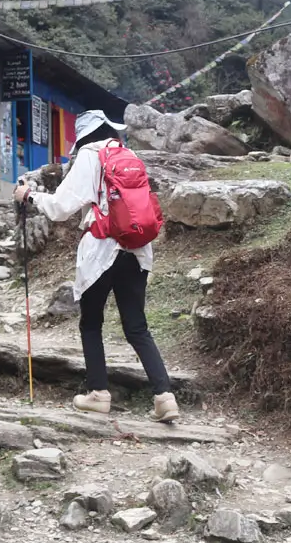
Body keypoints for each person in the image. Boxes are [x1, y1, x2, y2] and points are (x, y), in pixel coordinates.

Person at [14, 110, 179, 423]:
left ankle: (98, 393)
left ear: (84, 137)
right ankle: (164, 396)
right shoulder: (129, 155)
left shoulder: (90, 157)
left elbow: (61, 207)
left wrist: (30, 196)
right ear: (108, 130)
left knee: (91, 323)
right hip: (137, 249)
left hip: (102, 249)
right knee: (136, 326)